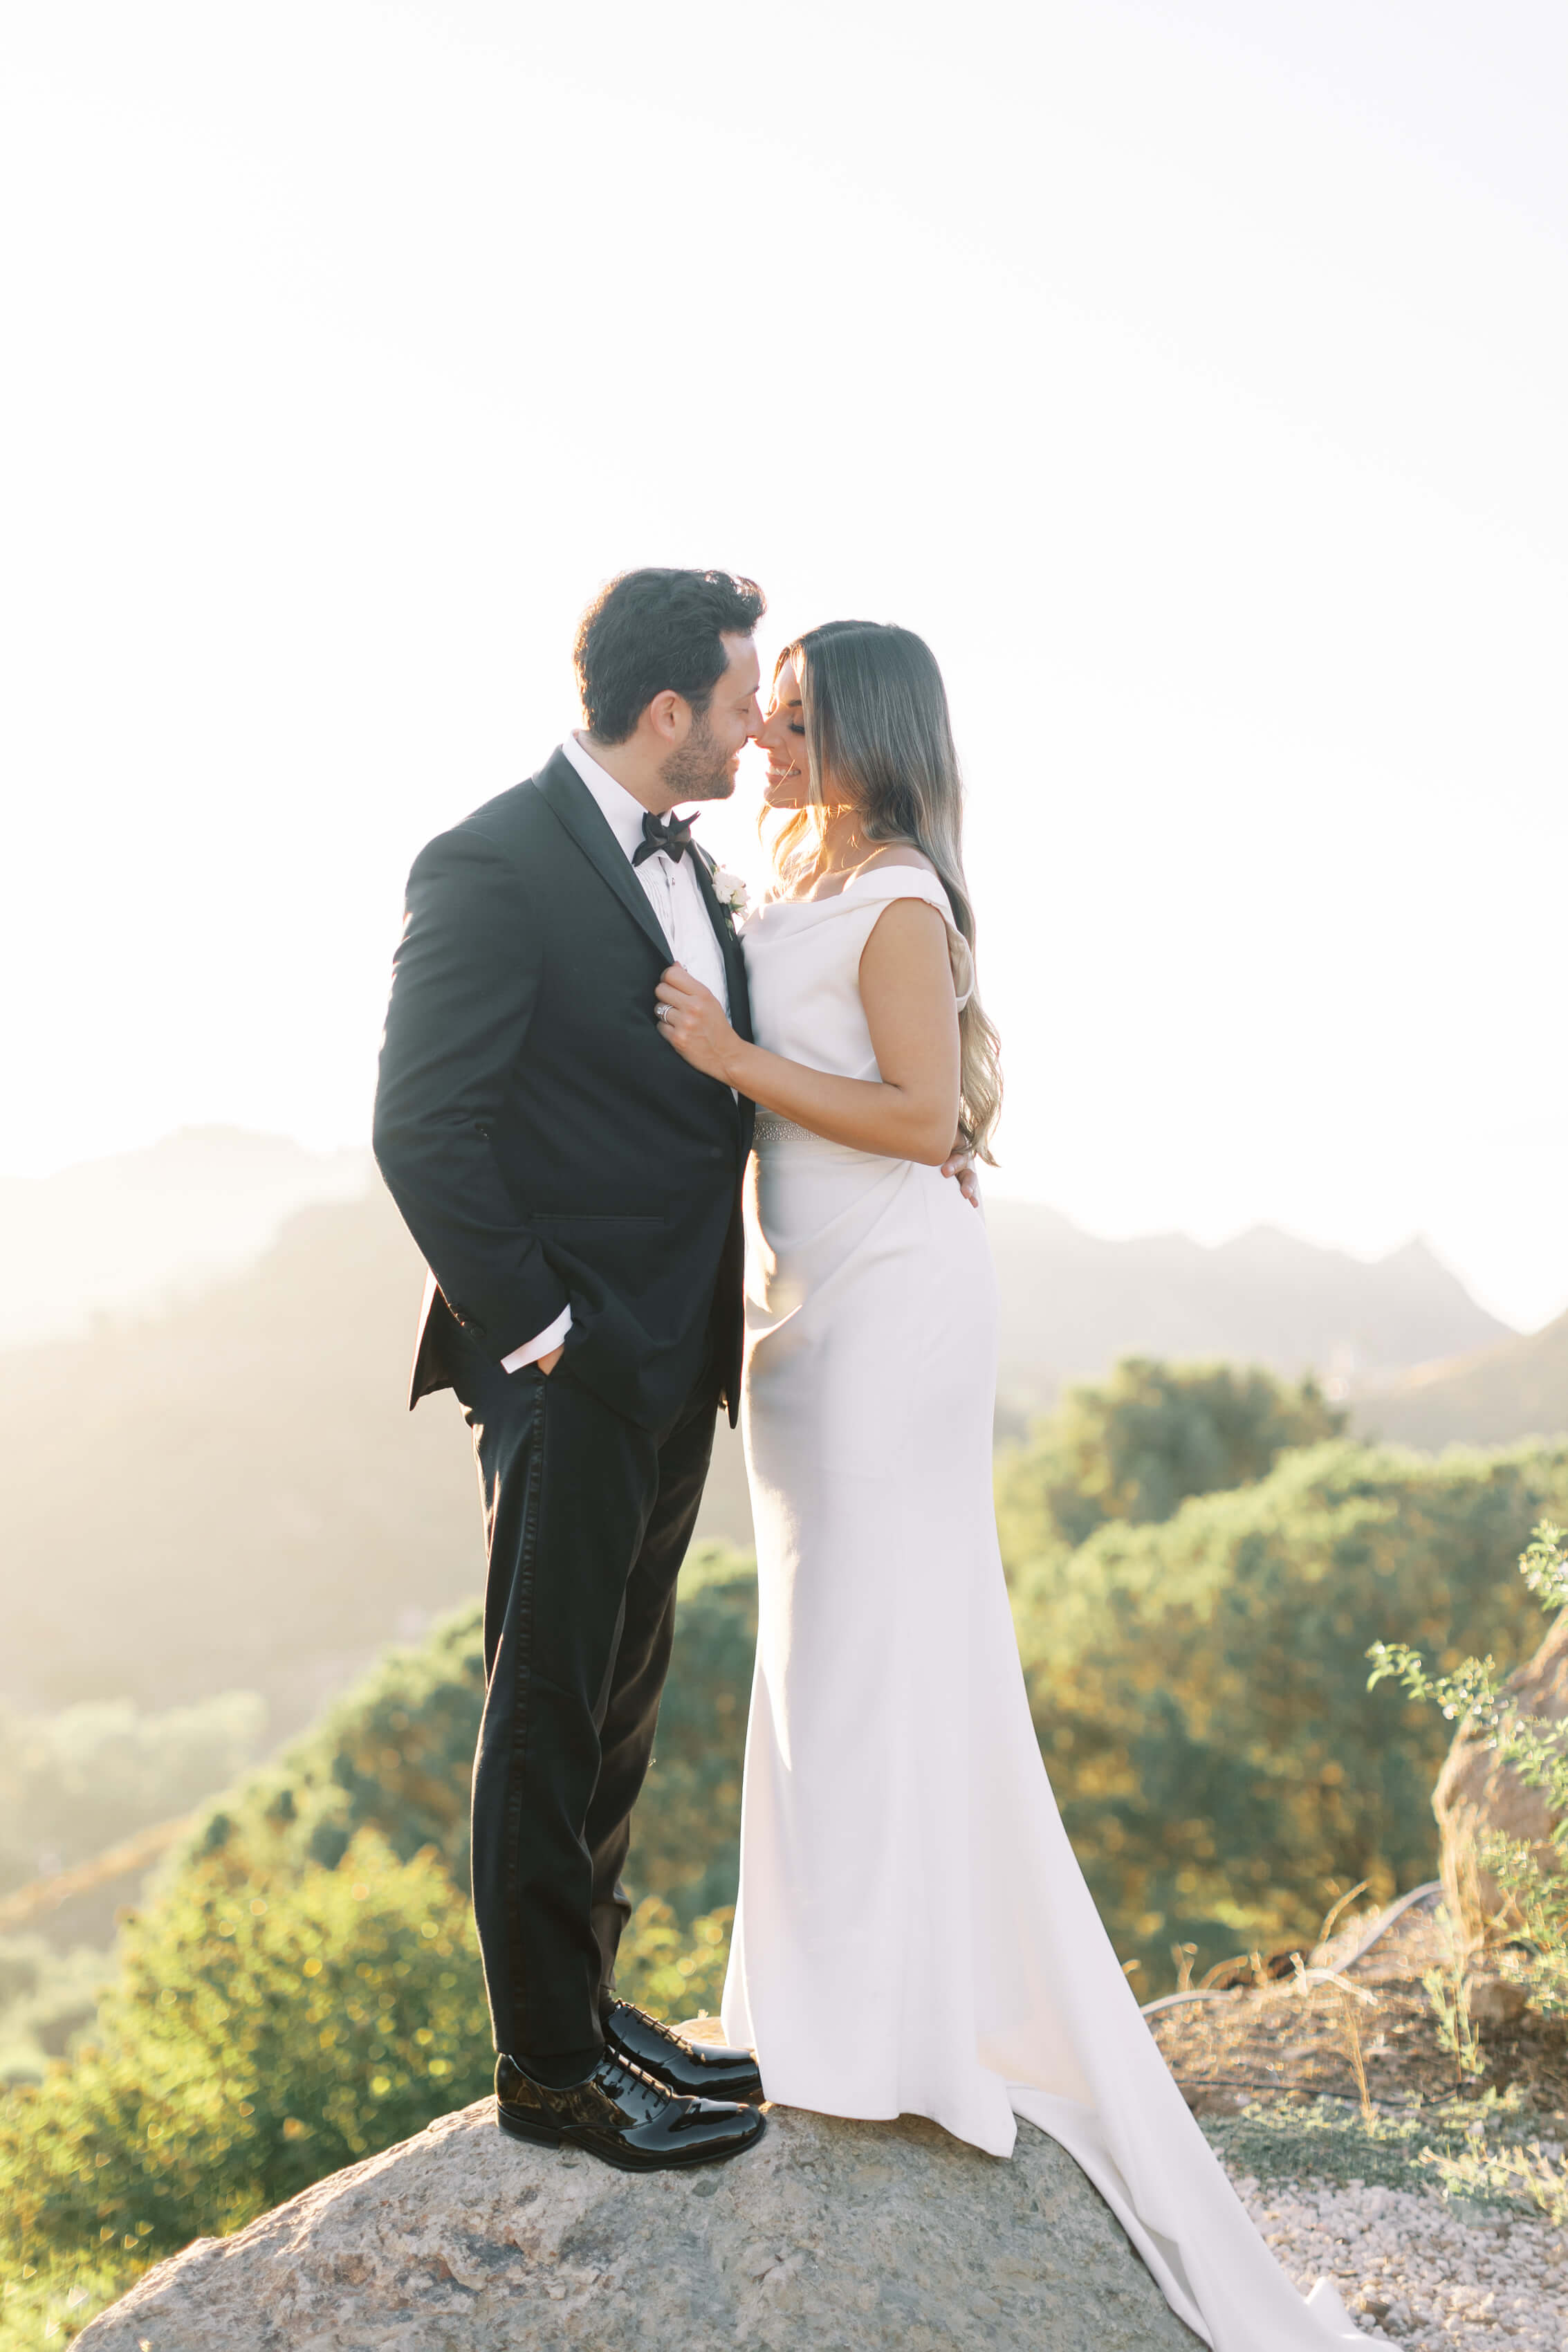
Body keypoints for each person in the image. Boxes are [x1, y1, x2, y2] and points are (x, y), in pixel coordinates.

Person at [652, 620, 1373, 2345]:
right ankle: (828, 1996)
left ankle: (893, 2024)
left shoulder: (899, 892)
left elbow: (917, 1118)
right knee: (821, 1660)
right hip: (804, 1313)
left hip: (896, 1301)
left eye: (803, 719)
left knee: (881, 1649)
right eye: (773, 711)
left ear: (874, 735)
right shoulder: (795, 873)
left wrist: (730, 1058)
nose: (766, 736)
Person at [371, 567, 775, 2174]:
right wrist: (543, 1332)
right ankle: (545, 2070)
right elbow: (424, 1124)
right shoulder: (488, 863)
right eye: (742, 703)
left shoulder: (693, 863)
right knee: (544, 1707)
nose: (756, 731)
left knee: (617, 1702)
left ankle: (591, 2004)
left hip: (682, 1353)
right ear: (669, 711)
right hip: (569, 1359)